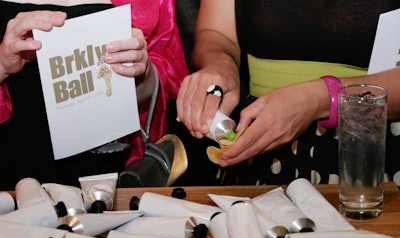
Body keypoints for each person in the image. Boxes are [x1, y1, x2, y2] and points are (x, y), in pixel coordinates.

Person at [176, 1, 400, 185]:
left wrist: (322, 98)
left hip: (371, 156)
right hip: (262, 155)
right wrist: (220, 65)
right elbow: (216, 32)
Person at [0, 0, 189, 190]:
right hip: (9, 181)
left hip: (112, 181)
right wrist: (2, 65)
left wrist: (142, 72)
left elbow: (167, 80)